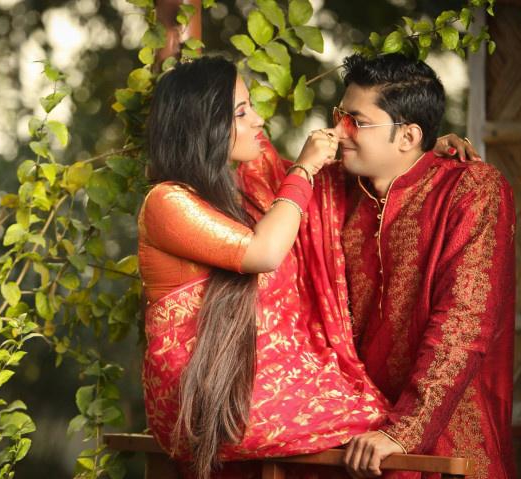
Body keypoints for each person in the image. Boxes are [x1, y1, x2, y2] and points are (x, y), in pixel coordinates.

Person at [139, 55, 391, 479]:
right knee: (377, 422)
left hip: (248, 383)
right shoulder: (167, 202)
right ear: (205, 125)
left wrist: (419, 154)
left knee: (380, 418)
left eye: (251, 105)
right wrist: (304, 167)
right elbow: (265, 251)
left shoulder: (245, 189)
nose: (258, 120)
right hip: (201, 399)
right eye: (241, 112)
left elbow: (313, 200)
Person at [333, 54, 516, 479]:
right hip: (355, 443)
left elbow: (464, 322)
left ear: (408, 135)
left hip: (444, 444)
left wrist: (404, 431)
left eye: (356, 121)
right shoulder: (340, 194)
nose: (338, 130)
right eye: (339, 116)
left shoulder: (472, 189)